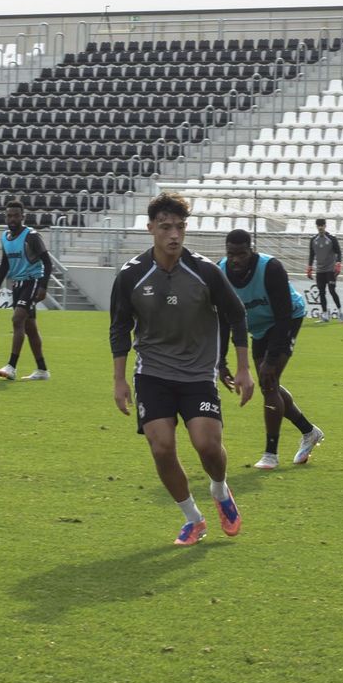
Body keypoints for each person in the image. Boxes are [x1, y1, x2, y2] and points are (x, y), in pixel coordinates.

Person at [111, 193, 255, 546]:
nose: (174, 235)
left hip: (197, 373)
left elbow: (236, 314)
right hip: (152, 373)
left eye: (179, 227)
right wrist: (118, 380)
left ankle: (220, 491)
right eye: (165, 227)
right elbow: (119, 327)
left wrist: (243, 368)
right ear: (150, 230)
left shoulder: (205, 271)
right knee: (161, 448)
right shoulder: (131, 276)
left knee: (207, 446)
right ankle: (193, 519)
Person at [217, 228, 324, 470]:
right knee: (269, 385)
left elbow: (284, 315)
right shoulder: (220, 272)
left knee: (269, 380)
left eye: (241, 254)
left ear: (251, 250)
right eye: (231, 254)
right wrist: (220, 361)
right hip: (259, 327)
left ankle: (270, 454)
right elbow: (223, 320)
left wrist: (272, 357)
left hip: (285, 321)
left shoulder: (271, 269)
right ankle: (309, 432)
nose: (235, 260)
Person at [0, 200, 54, 382]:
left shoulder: (31, 236)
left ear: (23, 217)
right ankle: (42, 370)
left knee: (17, 319)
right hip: (17, 285)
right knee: (30, 328)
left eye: (16, 215)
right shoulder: (5, 237)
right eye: (9, 215)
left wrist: (43, 286)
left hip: (32, 282)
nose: (12, 219)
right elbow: (4, 265)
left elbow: (47, 263)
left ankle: (11, 366)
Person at [306, 218, 343, 322]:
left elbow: (339, 252)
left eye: (322, 225)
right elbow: (311, 254)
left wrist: (338, 263)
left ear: (325, 226)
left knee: (332, 291)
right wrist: (309, 267)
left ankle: (340, 314)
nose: (320, 227)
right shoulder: (313, 240)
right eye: (318, 225)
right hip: (320, 270)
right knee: (321, 292)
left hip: (330, 269)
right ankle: (325, 316)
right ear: (316, 226)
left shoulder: (331, 238)